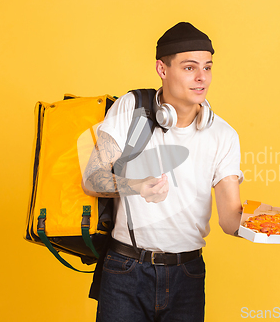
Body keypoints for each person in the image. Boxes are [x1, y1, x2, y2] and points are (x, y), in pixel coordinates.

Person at [82, 22, 244, 322]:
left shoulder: (224, 135)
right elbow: (92, 178)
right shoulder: (130, 108)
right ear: (162, 69)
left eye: (207, 68)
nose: (201, 78)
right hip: (125, 270)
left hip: (188, 276)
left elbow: (230, 218)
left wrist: (274, 229)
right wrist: (136, 186)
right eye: (189, 67)